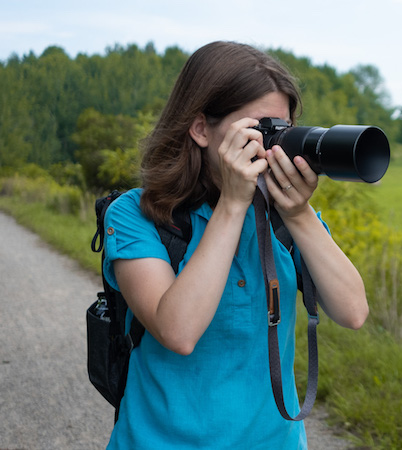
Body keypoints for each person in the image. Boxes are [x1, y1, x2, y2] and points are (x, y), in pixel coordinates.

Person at [102, 41, 369, 449]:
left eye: (281, 128)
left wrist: (299, 214)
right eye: (258, 128)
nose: (270, 145)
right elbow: (178, 332)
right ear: (200, 129)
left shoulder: (284, 217)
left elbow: (352, 312)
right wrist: (232, 204)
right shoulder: (136, 214)